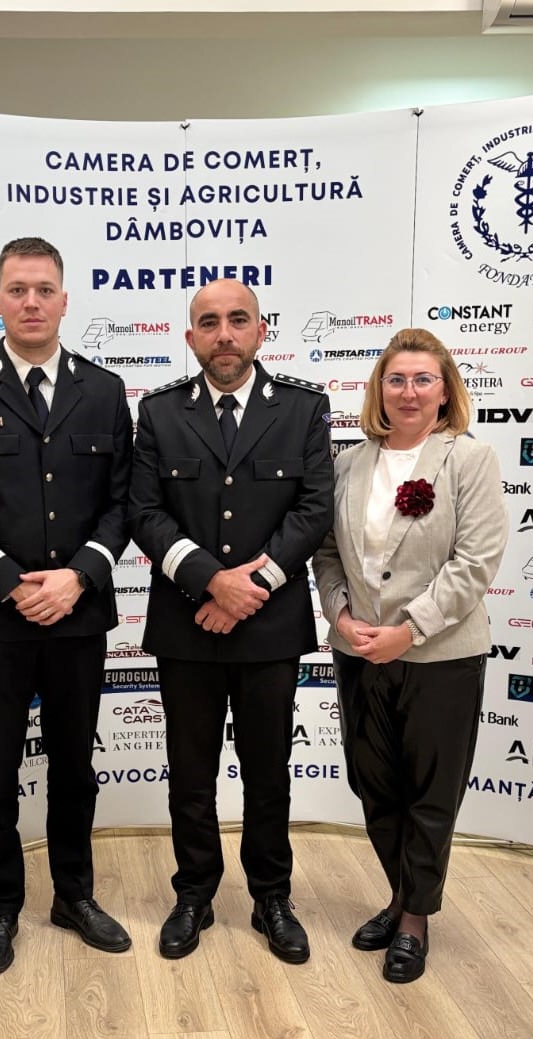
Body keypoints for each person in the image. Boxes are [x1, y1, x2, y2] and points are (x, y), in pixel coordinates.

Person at [0, 236, 133, 975]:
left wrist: (78, 577)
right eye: (18, 289)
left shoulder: (103, 390)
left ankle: (74, 895)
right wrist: (11, 583)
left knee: (75, 765)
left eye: (44, 289)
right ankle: (1, 908)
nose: (32, 302)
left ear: (64, 299)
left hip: (79, 615)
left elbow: (122, 504)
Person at [129, 278, 333, 961]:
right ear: (190, 337)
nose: (224, 334)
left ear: (260, 331)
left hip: (269, 624)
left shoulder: (302, 407)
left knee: (268, 771)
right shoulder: (159, 412)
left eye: (237, 320)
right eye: (209, 322)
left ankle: (272, 897)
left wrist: (250, 586)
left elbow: (313, 508)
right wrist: (209, 580)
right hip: (186, 621)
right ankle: (194, 893)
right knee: (190, 773)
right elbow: (143, 512)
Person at [313, 327, 508, 983]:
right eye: (395, 379)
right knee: (373, 783)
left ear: (444, 390)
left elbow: (474, 563)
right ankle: (400, 894)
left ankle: (415, 917)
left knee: (430, 790)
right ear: (379, 389)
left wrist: (408, 631)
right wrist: (340, 614)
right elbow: (327, 554)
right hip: (358, 651)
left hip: (440, 656)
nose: (408, 392)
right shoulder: (348, 464)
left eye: (423, 379)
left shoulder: (468, 459)